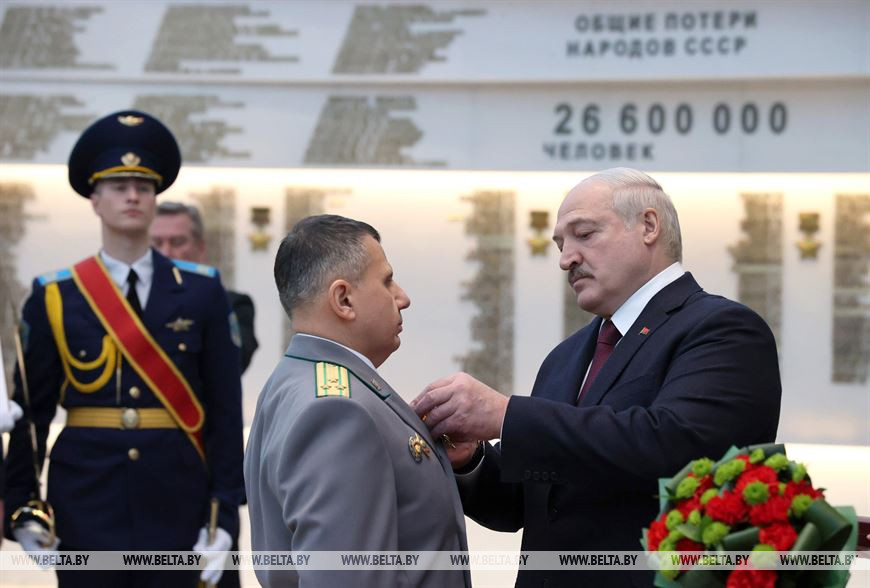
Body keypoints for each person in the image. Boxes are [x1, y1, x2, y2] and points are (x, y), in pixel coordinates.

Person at [412, 168, 782, 587]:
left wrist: (506, 416)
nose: (565, 258)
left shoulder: (723, 329)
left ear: (648, 226)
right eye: (560, 243)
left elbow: (682, 449)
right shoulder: (565, 357)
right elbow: (529, 504)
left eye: (583, 234)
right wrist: (471, 460)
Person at [3, 110, 245, 587]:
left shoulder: (202, 291)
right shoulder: (56, 295)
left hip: (178, 490)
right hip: (87, 494)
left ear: (156, 197)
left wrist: (225, 518)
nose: (133, 195)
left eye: (143, 185)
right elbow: (32, 414)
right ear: (94, 198)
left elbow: (223, 410)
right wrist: (23, 508)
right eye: (118, 185)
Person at [245, 214, 471, 588]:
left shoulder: (297, 379)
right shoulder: (337, 410)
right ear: (343, 299)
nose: (403, 297)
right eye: (386, 281)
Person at [150, 201, 259, 374]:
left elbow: (234, 362)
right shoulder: (132, 299)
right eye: (156, 243)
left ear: (200, 249)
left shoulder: (233, 304)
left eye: (177, 242)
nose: (165, 253)